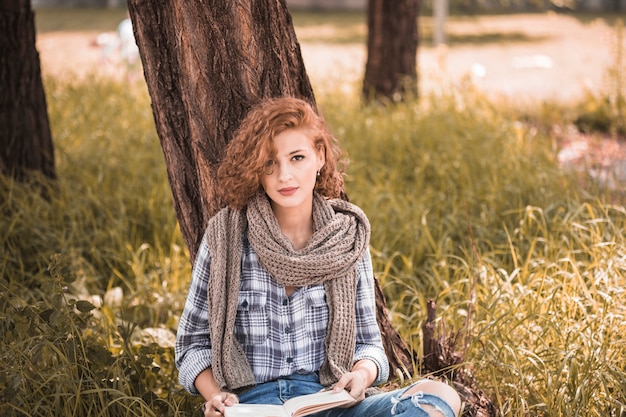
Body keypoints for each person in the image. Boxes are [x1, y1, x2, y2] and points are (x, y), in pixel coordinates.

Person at [175, 97, 462, 417]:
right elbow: (192, 346)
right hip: (252, 406)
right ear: (257, 170)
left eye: (297, 157)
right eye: (270, 163)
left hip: (329, 399)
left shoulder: (347, 237)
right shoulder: (225, 236)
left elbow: (370, 345)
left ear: (320, 157)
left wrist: (361, 375)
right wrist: (217, 398)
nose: (284, 175)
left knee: (438, 396)